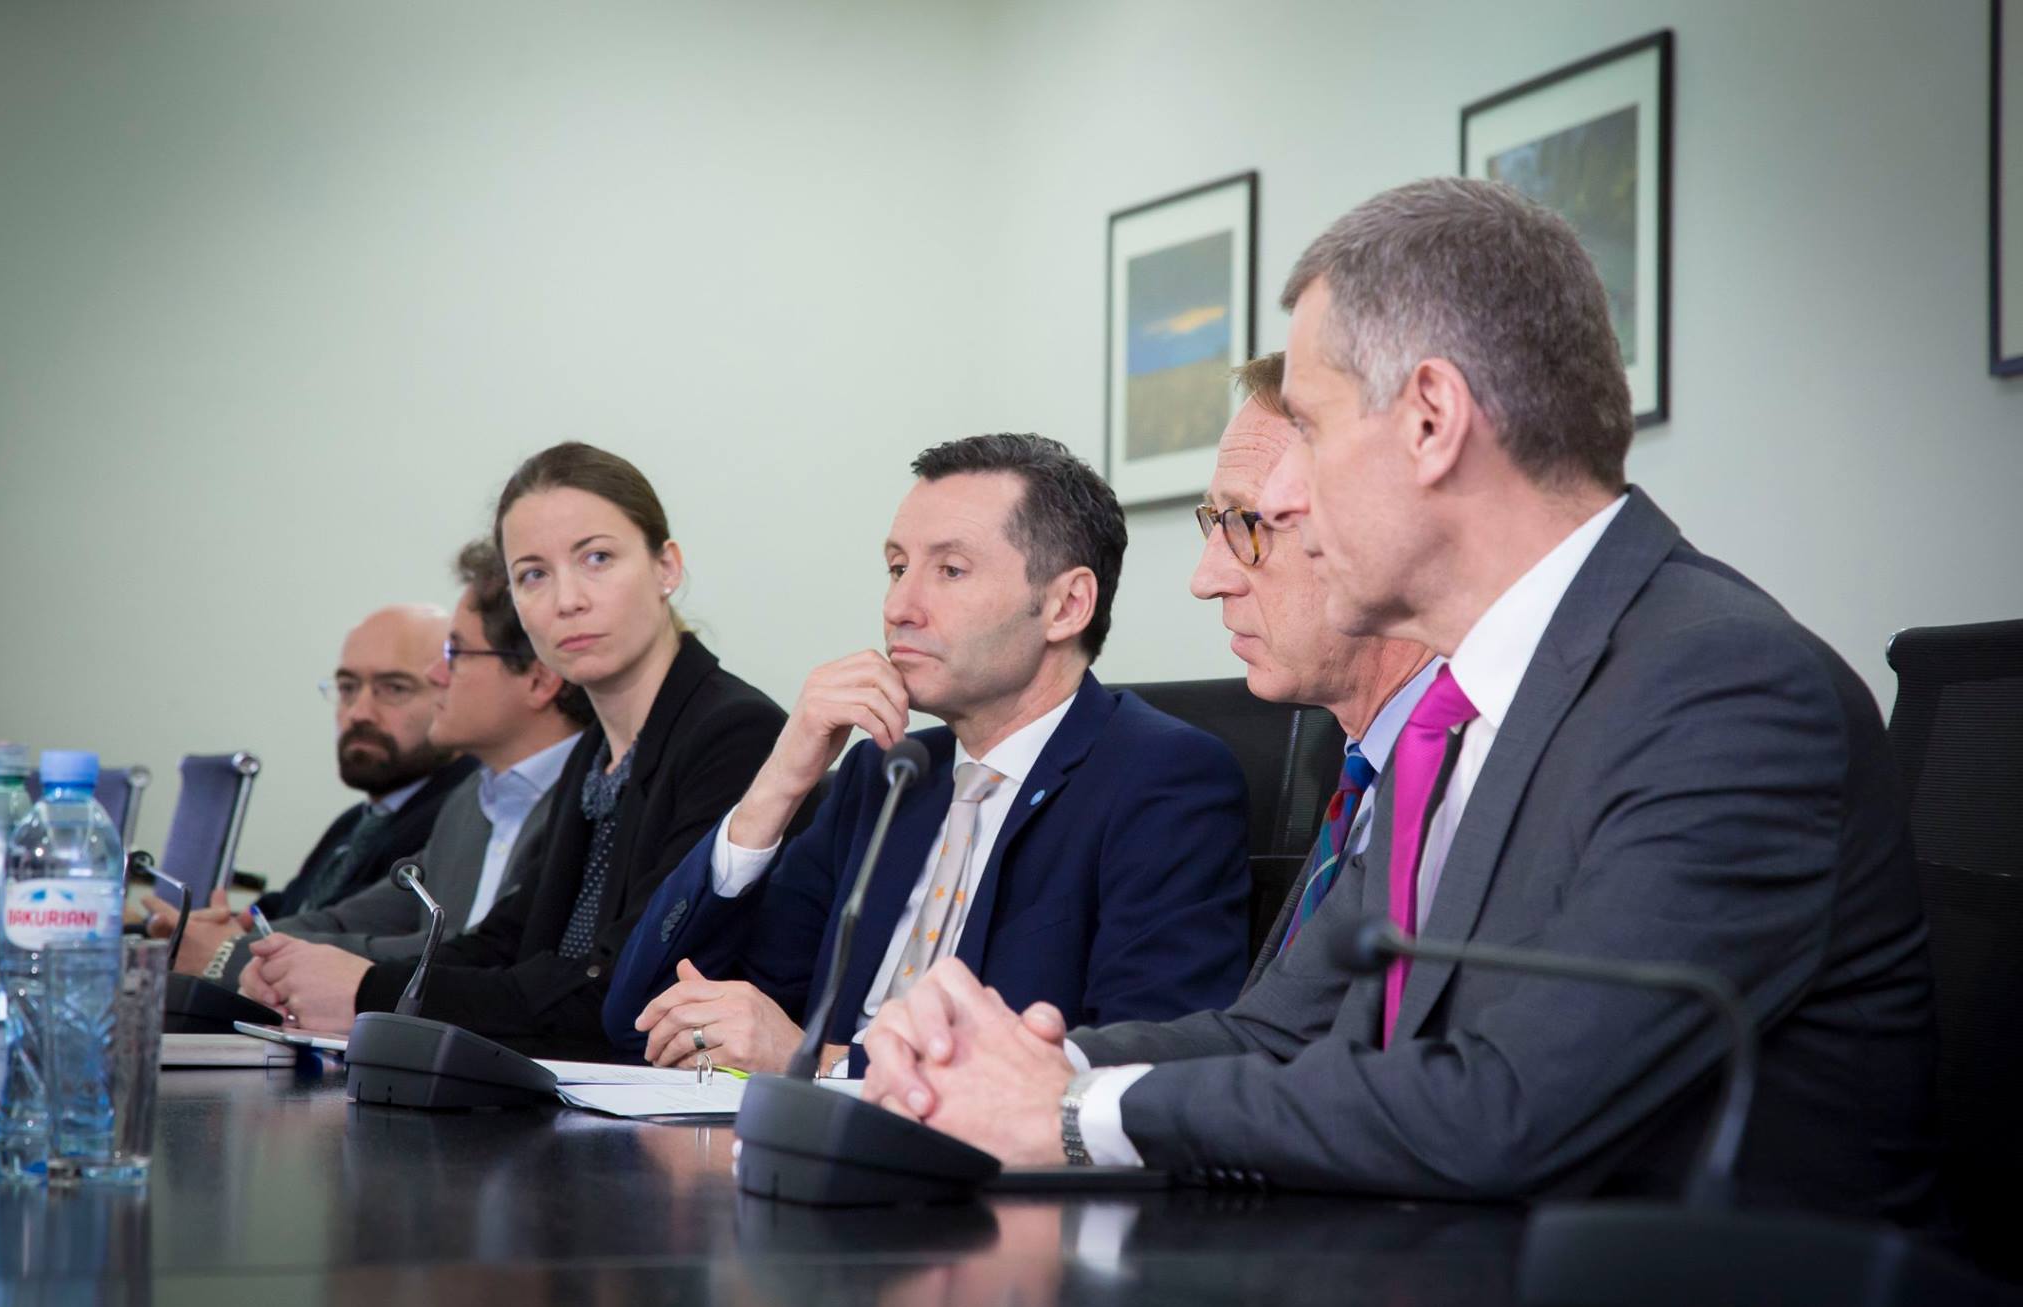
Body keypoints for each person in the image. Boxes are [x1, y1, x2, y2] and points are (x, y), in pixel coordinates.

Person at [861, 178, 1939, 1224]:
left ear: (1430, 420)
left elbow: (1513, 1108)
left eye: (1312, 429)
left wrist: (1070, 1113)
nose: (1287, 496)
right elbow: (1278, 1036)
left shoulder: (1723, 692)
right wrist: (1017, 1064)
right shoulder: (1461, 708)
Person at [605, 433, 1252, 1077]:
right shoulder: (885, 776)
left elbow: (1145, 1060)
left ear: (1066, 605)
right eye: (896, 568)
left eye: (950, 570)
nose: (898, 608)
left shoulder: (1161, 778)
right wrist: (780, 781)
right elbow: (645, 1020)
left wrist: (819, 1064)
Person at [242, 443, 784, 1057]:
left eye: (598, 558)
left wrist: (371, 991)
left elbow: (620, 988)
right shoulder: (595, 751)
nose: (567, 600)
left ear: (667, 567)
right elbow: (510, 939)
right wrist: (319, 977)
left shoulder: (734, 732)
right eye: (533, 575)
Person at [209, 538, 592, 986]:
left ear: (539, 681)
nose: (435, 674)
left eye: (455, 654)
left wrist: (225, 954)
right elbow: (347, 920)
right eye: (347, 687)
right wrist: (227, 943)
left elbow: (469, 958)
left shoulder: (590, 803)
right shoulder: (472, 801)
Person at [1194, 351, 1436, 986]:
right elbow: (1276, 1029)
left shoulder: (1481, 770)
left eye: (1246, 522)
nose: (1206, 579)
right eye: (1214, 521)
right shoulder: (1364, 770)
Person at [148, 603, 475, 977]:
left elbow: (365, 942)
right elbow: (292, 906)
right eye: (348, 687)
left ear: (451, 691)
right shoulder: (358, 820)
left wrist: (226, 948)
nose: (358, 712)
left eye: (393, 688)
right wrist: (209, 927)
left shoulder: (459, 814)